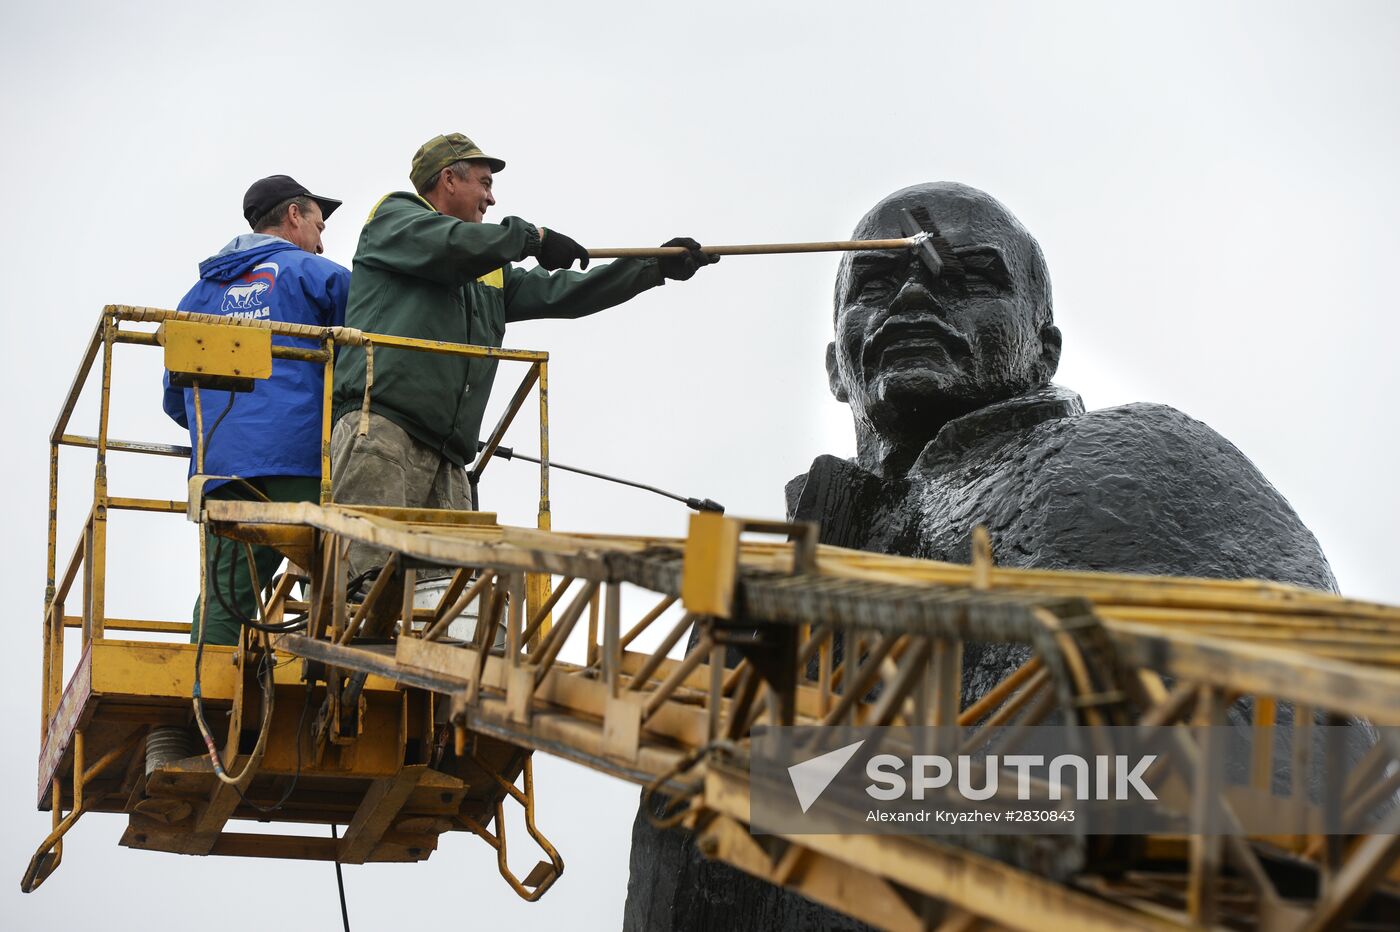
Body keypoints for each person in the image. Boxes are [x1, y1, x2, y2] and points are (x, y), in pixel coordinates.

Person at [623, 182, 1339, 932]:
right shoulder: (775, 596)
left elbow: (1274, 766)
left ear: (1045, 350)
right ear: (838, 366)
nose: (912, 297)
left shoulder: (1139, 460)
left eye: (968, 278)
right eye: (876, 285)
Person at [330, 133, 717, 579]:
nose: (491, 198)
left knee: (449, 608)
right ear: (449, 180)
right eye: (485, 182)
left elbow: (564, 292)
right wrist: (531, 238)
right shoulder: (395, 219)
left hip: (449, 456)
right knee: (360, 591)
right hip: (381, 432)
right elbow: (451, 244)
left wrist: (651, 267)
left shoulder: (490, 269)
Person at [163, 175, 351, 646]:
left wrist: (238, 432)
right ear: (294, 215)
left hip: (223, 471)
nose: (321, 241)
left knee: (224, 597)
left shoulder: (197, 297)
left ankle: (204, 706)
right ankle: (338, 686)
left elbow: (176, 397)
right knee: (351, 573)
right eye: (318, 224)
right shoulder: (318, 275)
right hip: (303, 462)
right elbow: (367, 360)